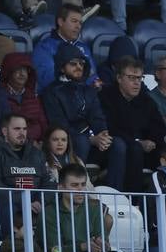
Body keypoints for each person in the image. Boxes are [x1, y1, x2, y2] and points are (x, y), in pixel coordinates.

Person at [42, 46, 119, 181]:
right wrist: (91, 139)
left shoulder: (88, 90)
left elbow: (97, 116)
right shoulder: (52, 92)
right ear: (62, 67)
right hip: (71, 141)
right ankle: (74, 186)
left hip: (91, 141)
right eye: (73, 63)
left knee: (118, 144)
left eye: (81, 63)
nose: (79, 67)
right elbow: (59, 124)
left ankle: (114, 194)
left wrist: (103, 134)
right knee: (81, 141)